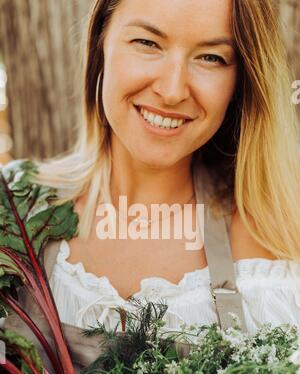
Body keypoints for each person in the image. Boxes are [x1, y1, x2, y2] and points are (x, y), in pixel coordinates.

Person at [5, 0, 300, 340]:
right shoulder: (13, 205)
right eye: (147, 43)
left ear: (240, 80)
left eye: (211, 57)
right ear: (101, 41)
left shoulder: (276, 255)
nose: (172, 91)